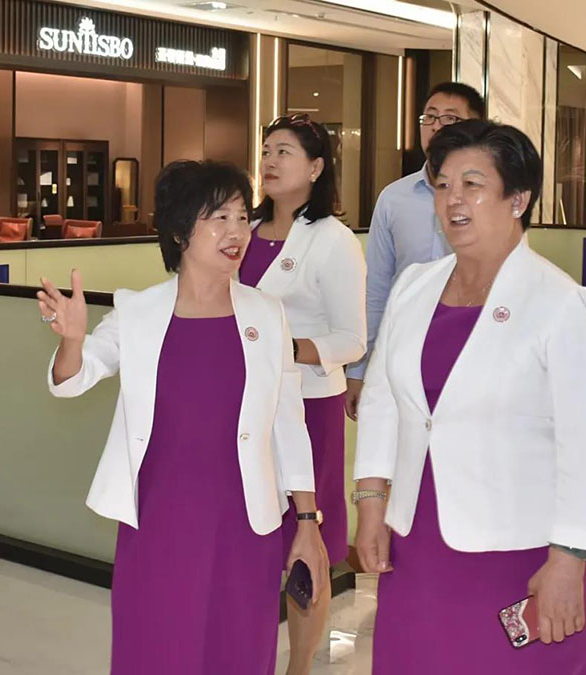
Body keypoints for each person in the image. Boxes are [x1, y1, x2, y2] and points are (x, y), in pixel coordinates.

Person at [353, 121, 586, 674]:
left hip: (516, 552)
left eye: (472, 184)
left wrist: (570, 558)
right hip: (418, 543)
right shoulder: (415, 287)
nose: (453, 199)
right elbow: (382, 402)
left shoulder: (561, 304)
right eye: (443, 184)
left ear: (517, 199)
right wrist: (372, 501)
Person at [38, 160, 328, 675]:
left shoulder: (267, 314)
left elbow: (289, 424)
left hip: (245, 523)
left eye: (242, 217)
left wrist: (307, 521)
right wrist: (74, 340)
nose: (236, 231)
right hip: (160, 520)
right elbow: (73, 379)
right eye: (219, 217)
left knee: (237, 651)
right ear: (179, 232)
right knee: (157, 650)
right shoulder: (139, 311)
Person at [238, 113, 366, 675]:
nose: (270, 160)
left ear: (316, 168)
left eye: (284, 152)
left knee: (305, 542)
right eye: (266, 150)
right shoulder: (240, 228)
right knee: (251, 531)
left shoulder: (333, 241)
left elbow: (352, 338)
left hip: (309, 406)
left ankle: (299, 665)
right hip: (245, 403)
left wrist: (285, 348)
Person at [344, 82, 485, 419]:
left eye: (450, 119)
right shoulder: (394, 198)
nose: (436, 127)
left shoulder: (490, 197)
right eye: (429, 117)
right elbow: (377, 288)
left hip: (473, 350)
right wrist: (359, 369)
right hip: (403, 351)